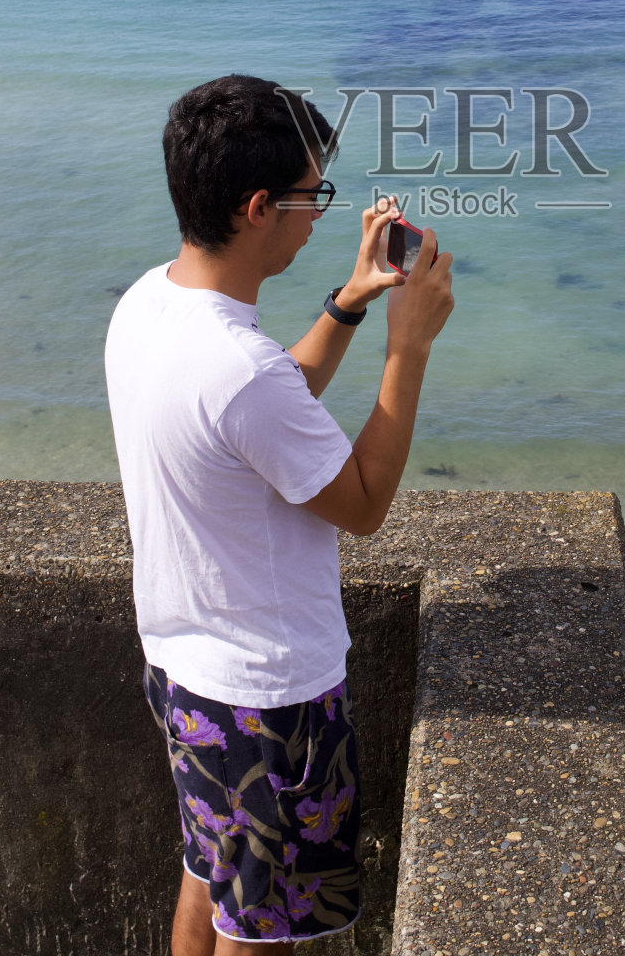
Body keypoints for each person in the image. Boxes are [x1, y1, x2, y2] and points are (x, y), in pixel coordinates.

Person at [105, 74, 454, 955]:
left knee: (215, 880)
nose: (318, 214)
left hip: (184, 672)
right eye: (311, 196)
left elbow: (262, 413)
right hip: (270, 704)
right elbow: (364, 504)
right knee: (263, 936)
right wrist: (405, 348)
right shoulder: (240, 371)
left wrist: (347, 301)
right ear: (259, 207)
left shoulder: (150, 304)